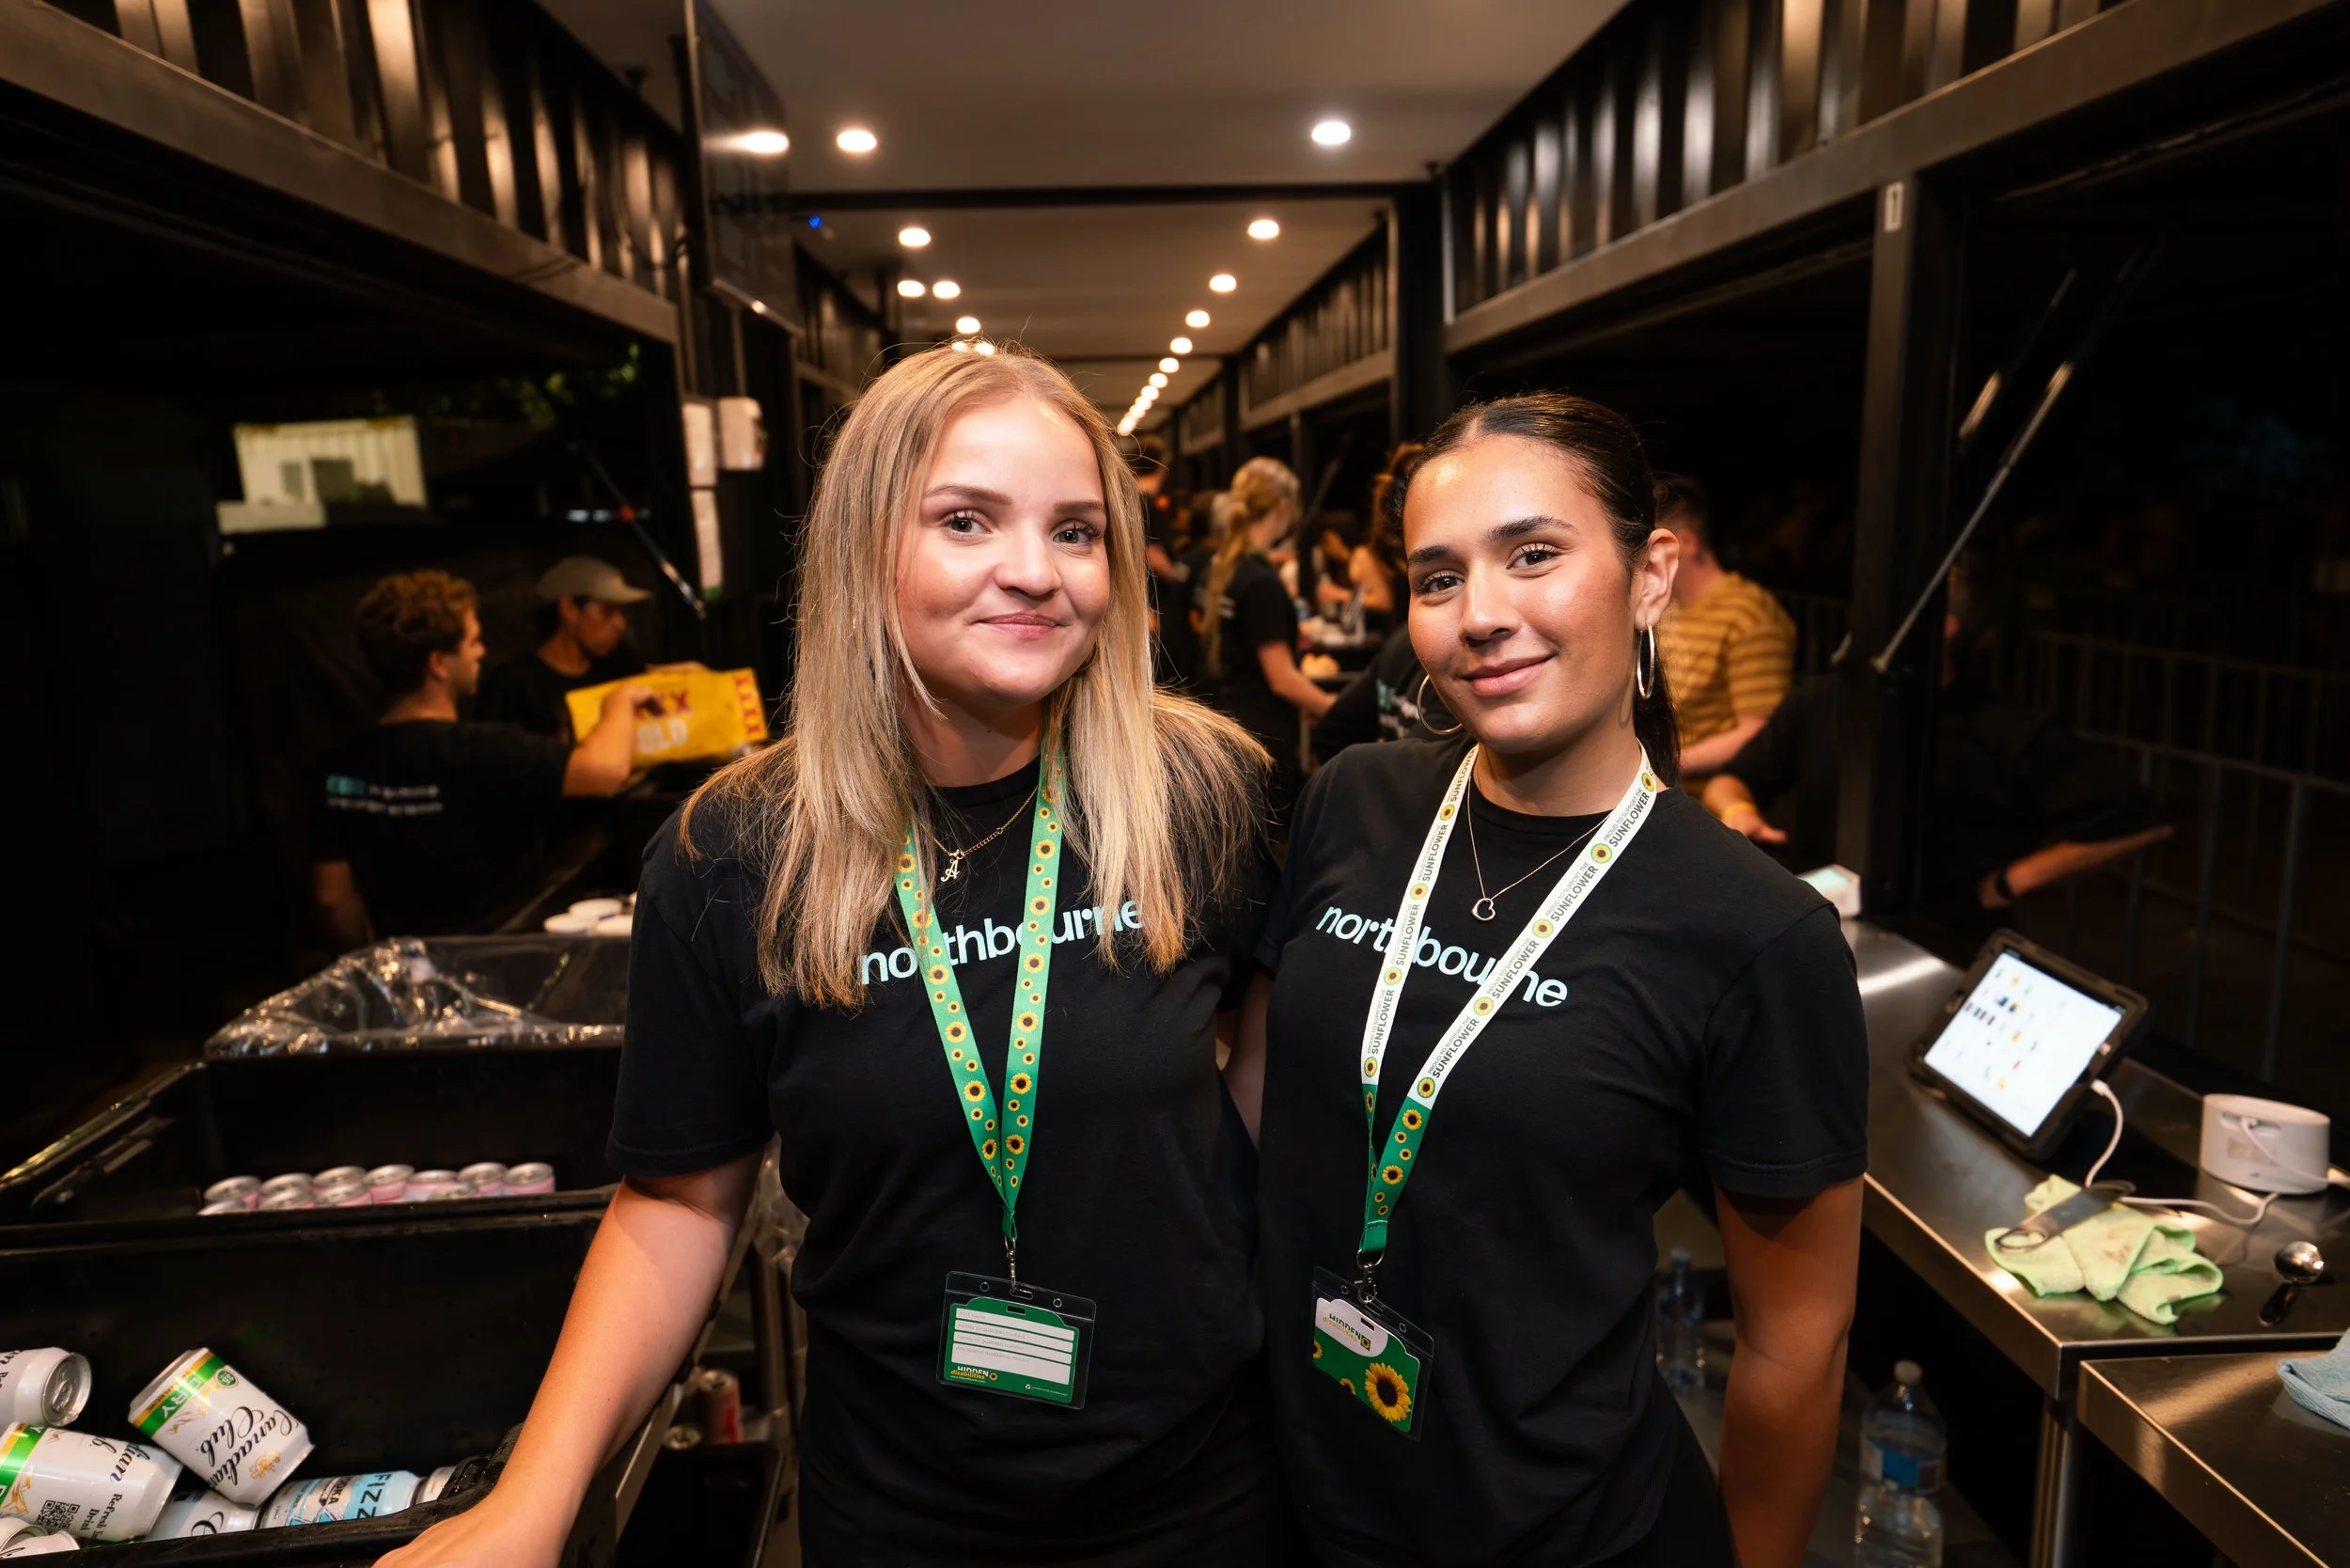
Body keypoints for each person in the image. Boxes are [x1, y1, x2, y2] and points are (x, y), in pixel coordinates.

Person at [377, 346, 1286, 1568]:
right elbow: (677, 1204)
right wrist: (532, 1503)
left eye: (1077, 531)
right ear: (864, 548)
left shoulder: (1198, 790)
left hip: (1202, 1485)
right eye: (967, 521)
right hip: (905, 1506)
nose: (1035, 571)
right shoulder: (733, 854)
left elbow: (1266, 1071)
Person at [1229, 394, 1868, 1568]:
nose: (1481, 616)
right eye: (1434, 579)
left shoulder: (1754, 931)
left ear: (1651, 573)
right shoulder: (1354, 801)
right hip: (1295, 1485)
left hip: (1558, 1524)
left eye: (1533, 555)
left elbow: (1795, 1344)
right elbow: (1256, 1107)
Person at [1703, 558, 2171, 943]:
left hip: (1948, 941)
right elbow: (1735, 777)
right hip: (1810, 928)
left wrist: (2014, 881)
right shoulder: (1825, 699)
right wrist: (1739, 809)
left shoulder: (2003, 727)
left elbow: (2139, 819)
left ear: (1947, 626)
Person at [312, 571, 648, 945]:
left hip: (405, 966)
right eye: (473, 641)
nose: (481, 652)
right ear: (438, 663)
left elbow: (332, 897)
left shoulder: (338, 765)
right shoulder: (480, 750)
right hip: (495, 961)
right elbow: (606, 770)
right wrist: (621, 700)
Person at [1197, 456, 1334, 816]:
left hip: (1231, 724)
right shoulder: (1261, 582)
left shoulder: (1227, 567)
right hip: (1263, 737)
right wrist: (1336, 711)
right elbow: (1282, 678)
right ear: (1283, 507)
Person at [1653, 476, 1796, 777]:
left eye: (1652, 547)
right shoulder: (1662, 607)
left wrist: (1658, 765)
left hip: (1704, 800)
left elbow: (1758, 733)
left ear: (1686, 544)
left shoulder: (1749, 614)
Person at [475, 557, 651, 740]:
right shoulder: (512, 687)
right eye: (607, 611)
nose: (620, 624)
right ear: (569, 609)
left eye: (622, 613)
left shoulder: (622, 671)